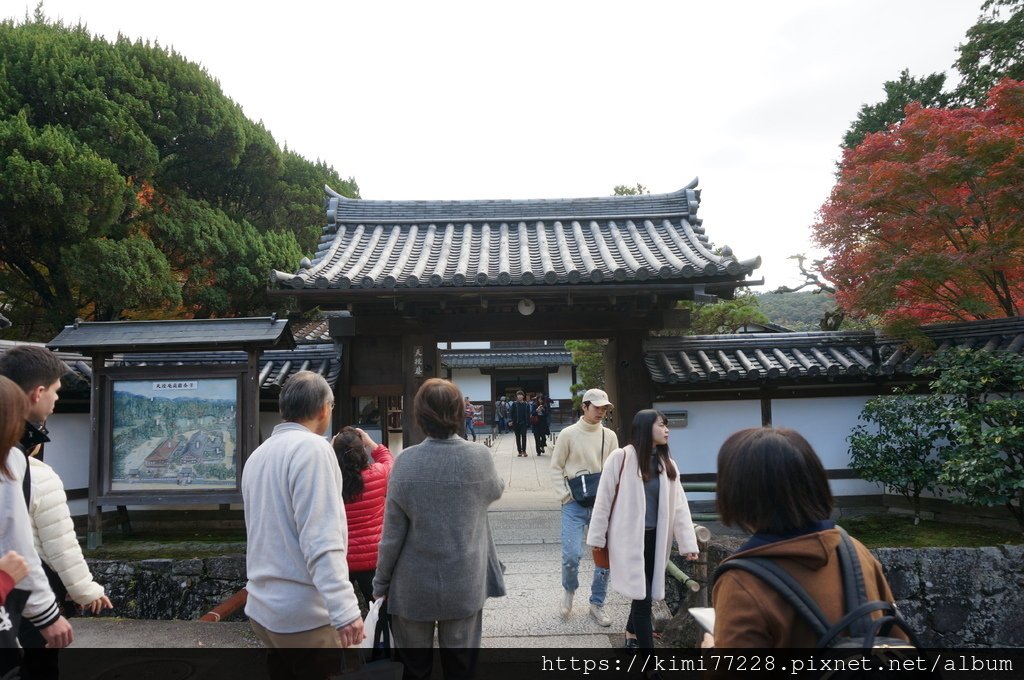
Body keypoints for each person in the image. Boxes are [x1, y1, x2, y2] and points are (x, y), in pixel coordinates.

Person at [706, 427, 905, 648]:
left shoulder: (742, 581)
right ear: (815, 482)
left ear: (736, 493)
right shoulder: (854, 550)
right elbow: (896, 637)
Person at [373, 378, 505, 680]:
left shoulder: (406, 462)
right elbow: (496, 490)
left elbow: (391, 536)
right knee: (461, 669)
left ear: (419, 415)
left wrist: (381, 585)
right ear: (461, 412)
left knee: (413, 670)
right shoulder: (480, 458)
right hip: (465, 581)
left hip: (412, 587)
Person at [242, 371, 363, 676]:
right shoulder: (313, 449)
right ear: (324, 409)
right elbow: (322, 538)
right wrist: (345, 609)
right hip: (303, 615)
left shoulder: (258, 456)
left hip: (263, 608)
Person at [587, 409, 699, 649]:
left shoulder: (667, 464)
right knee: (643, 598)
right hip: (628, 541)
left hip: (657, 541)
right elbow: (603, 500)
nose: (667, 430)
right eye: (661, 425)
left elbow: (679, 506)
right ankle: (650, 666)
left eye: (667, 425)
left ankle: (630, 633)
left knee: (642, 593)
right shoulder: (621, 458)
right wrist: (597, 536)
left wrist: (688, 543)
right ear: (645, 427)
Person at [0, 347, 76, 663]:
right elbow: (16, 540)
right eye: (55, 392)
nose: (57, 401)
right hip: (17, 593)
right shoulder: (11, 456)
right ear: (38, 393)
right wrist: (47, 612)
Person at [549, 388, 618, 626]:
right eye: (597, 407)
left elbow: (614, 470)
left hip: (602, 504)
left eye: (604, 408)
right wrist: (564, 496)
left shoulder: (609, 436)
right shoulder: (568, 434)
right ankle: (569, 591)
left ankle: (597, 603)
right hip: (574, 503)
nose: (601, 411)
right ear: (584, 407)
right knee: (571, 555)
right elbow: (556, 466)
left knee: (603, 558)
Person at [332, 426, 394, 610]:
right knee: (379, 610)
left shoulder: (329, 480)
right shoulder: (379, 474)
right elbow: (389, 462)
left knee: (339, 614)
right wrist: (370, 442)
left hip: (341, 557)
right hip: (373, 556)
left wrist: (330, 446)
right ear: (362, 451)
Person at [508, 390, 532, 457]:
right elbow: (510, 413)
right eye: (518, 395)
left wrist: (528, 423)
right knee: (517, 437)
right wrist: (510, 420)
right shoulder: (514, 404)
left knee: (524, 437)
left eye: (521, 395)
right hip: (516, 423)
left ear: (523, 396)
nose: (519, 396)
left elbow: (528, 414)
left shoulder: (526, 404)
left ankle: (524, 451)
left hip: (524, 423)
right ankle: (519, 451)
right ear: (517, 396)